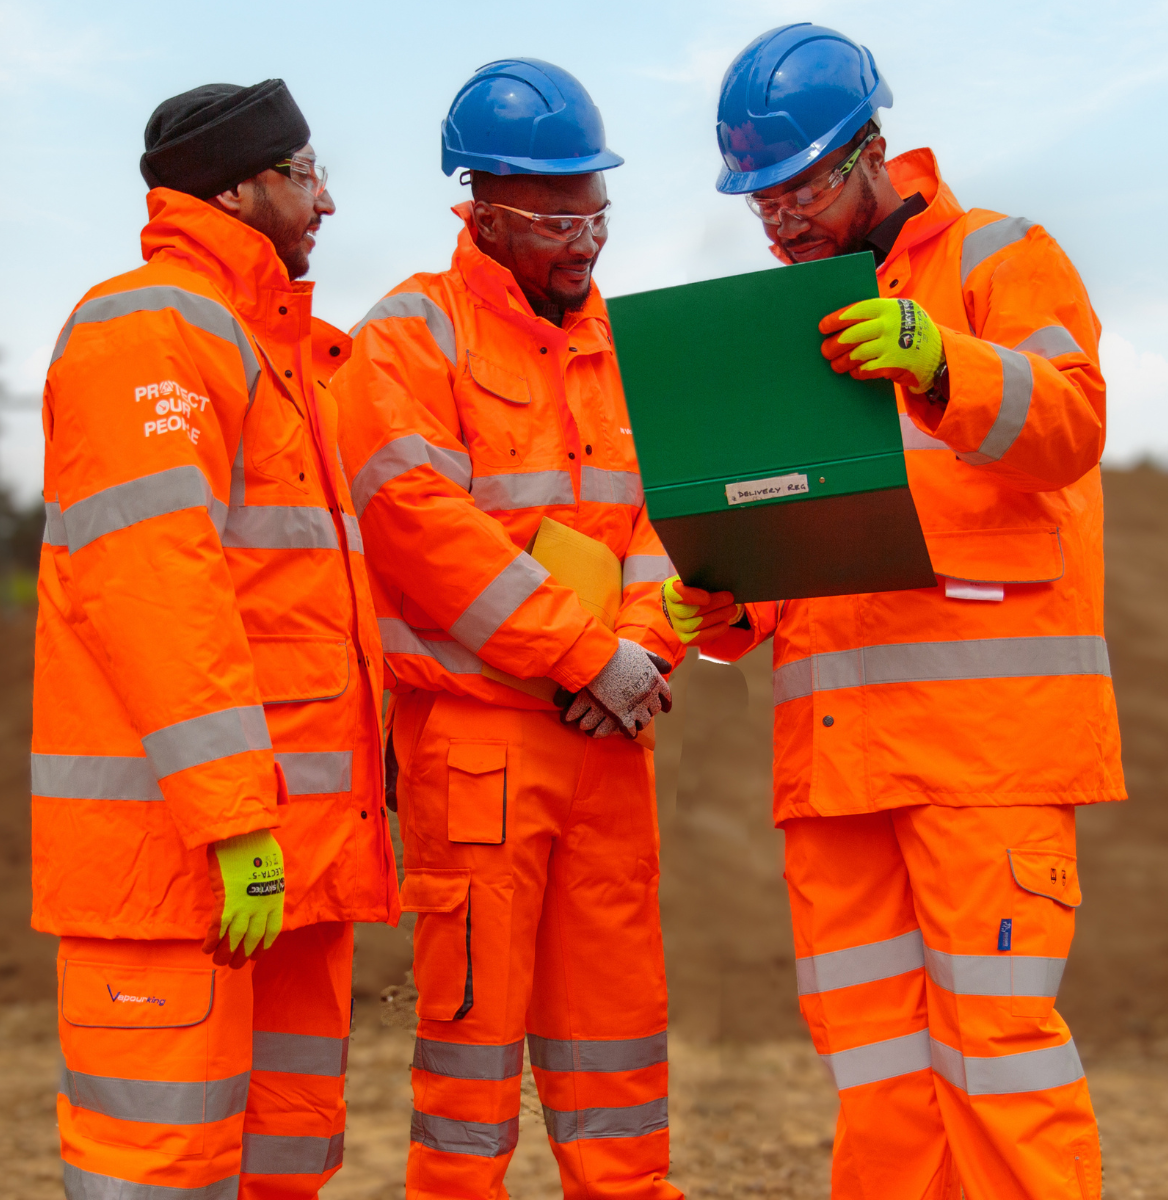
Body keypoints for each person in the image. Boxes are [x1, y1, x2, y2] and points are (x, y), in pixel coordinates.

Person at [665, 23, 1125, 1200]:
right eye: (760, 199)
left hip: (983, 755)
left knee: (996, 1054)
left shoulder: (998, 256)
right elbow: (789, 536)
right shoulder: (781, 320)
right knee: (876, 1071)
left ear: (870, 150)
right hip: (837, 768)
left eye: (798, 189)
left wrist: (938, 361)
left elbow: (1070, 425)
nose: (778, 221)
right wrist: (722, 604)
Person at [31, 78, 395, 1200]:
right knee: (161, 1168)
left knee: (280, 1158)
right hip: (184, 865)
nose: (325, 199)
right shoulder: (149, 329)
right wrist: (237, 823)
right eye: (304, 172)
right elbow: (155, 590)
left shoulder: (271, 350)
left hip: (288, 869)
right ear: (237, 189)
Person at [333, 58, 683, 1200]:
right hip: (477, 743)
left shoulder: (625, 347)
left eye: (596, 213)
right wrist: (589, 656)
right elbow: (420, 530)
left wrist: (641, 654)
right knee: (472, 1046)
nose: (586, 242)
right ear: (480, 210)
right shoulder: (409, 337)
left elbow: (661, 519)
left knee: (617, 1033)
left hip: (607, 732)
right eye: (556, 220)